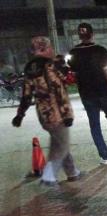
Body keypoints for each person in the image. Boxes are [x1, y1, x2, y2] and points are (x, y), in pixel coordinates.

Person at [12, 36, 82, 186]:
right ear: (43, 49)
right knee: (61, 145)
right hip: (57, 113)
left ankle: (72, 172)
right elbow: (58, 90)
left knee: (60, 142)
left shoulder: (30, 68)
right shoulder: (49, 66)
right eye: (50, 47)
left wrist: (20, 115)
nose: (52, 50)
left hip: (43, 114)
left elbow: (26, 95)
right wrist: (67, 113)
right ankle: (49, 175)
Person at [67, 22, 107, 165]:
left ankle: (105, 157)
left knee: (94, 125)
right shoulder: (100, 50)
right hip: (104, 92)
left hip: (87, 94)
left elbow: (72, 75)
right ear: (92, 34)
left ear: (79, 35)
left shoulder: (73, 53)